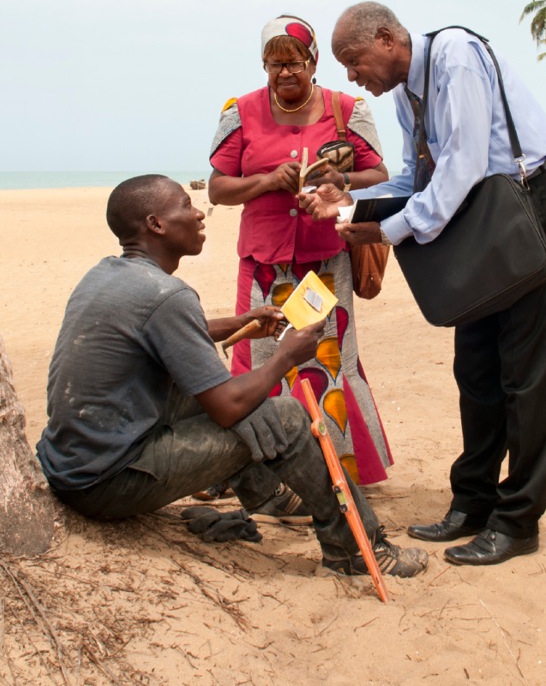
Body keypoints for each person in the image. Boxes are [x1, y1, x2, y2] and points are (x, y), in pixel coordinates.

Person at [36, 174, 428, 581]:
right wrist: (284, 357)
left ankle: (268, 497)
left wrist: (239, 323)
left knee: (204, 382)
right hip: (108, 484)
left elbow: (163, 335)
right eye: (186, 207)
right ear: (156, 224)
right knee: (286, 416)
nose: (199, 213)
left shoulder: (110, 275)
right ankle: (357, 551)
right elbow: (227, 409)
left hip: (71, 466)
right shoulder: (167, 295)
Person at [300, 2, 546, 566]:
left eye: (354, 60)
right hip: (474, 216)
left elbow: (463, 167)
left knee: (526, 372)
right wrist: (350, 198)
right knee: (475, 369)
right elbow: (416, 176)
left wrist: (386, 229)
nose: (352, 76)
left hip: (518, 210)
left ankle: (518, 520)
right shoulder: (407, 94)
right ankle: (472, 502)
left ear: (385, 38)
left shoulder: (455, 58)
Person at [208, 14, 393, 487]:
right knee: (260, 360)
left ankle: (337, 471)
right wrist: (266, 181)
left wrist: (338, 182)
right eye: (274, 64)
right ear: (263, 66)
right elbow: (218, 188)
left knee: (326, 359)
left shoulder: (346, 109)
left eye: (294, 63)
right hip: (264, 263)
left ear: (313, 61)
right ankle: (259, 476)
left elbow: (380, 175)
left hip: (325, 263)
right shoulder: (240, 110)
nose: (284, 73)